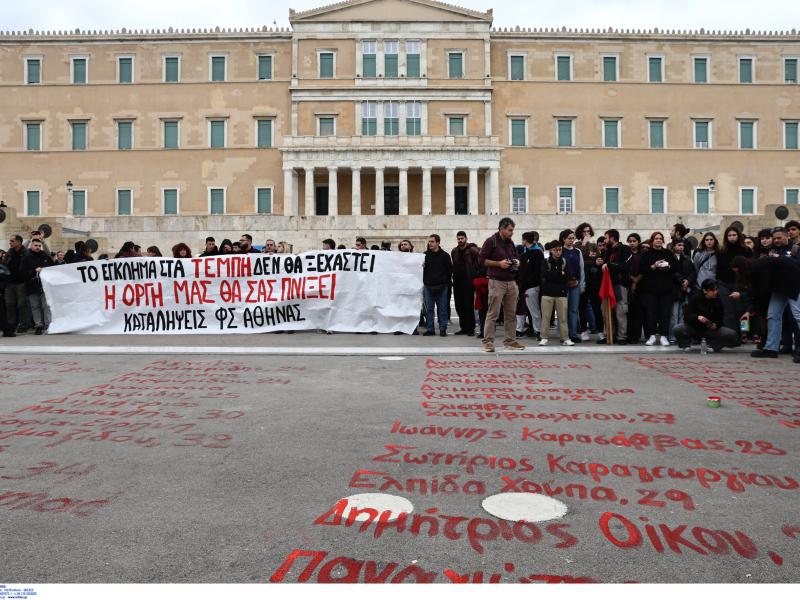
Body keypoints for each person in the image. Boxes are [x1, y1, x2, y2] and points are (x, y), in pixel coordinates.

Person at [736, 256, 800, 362]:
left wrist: (743, 294)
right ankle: (771, 348)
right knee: (773, 315)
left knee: (798, 315)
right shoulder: (756, 267)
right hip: (780, 286)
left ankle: (771, 348)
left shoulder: (758, 268)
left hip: (794, 283)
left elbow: (761, 289)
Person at [478, 218, 525, 352]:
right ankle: (488, 341)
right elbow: (481, 260)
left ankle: (510, 340)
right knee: (493, 313)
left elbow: (516, 257)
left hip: (511, 281)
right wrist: (499, 264)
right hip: (496, 281)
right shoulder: (490, 241)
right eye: (510, 230)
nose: (512, 233)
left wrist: (517, 262)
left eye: (512, 230)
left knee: (511, 314)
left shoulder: (510, 243)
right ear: (502, 229)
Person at [673, 279, 739, 352]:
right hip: (694, 327)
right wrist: (697, 317)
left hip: (710, 329)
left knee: (732, 334)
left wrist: (715, 325)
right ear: (705, 291)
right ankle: (685, 345)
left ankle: (713, 347)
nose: (715, 292)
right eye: (713, 290)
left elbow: (720, 319)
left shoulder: (718, 301)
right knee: (677, 329)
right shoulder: (695, 298)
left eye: (716, 289)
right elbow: (687, 316)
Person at [638, 231, 677, 346]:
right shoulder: (646, 254)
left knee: (665, 313)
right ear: (652, 241)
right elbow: (642, 270)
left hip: (666, 289)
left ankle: (664, 336)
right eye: (656, 238)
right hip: (650, 289)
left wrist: (667, 266)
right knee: (651, 313)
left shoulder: (668, 253)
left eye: (660, 238)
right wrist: (653, 266)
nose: (658, 240)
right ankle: (652, 335)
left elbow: (675, 267)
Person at [596, 229, 630, 344]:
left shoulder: (625, 249)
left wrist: (609, 264)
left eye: (606, 238)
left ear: (612, 238)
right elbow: (604, 266)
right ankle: (609, 334)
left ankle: (621, 337)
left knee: (621, 310)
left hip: (619, 285)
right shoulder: (607, 251)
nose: (604, 240)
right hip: (607, 285)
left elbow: (626, 266)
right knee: (606, 310)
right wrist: (599, 263)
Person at [717, 225, 752, 336]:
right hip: (724, 283)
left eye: (734, 235)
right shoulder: (722, 251)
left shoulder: (746, 250)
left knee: (741, 310)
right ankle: (730, 335)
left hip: (741, 283)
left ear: (739, 236)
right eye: (729, 235)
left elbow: (750, 267)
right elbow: (718, 268)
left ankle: (744, 334)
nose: (731, 237)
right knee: (729, 311)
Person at [539, 240, 573, 346]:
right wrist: (559, 273)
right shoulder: (546, 262)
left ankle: (565, 338)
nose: (558, 252)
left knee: (563, 318)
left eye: (560, 250)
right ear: (551, 250)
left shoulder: (564, 262)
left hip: (561, 293)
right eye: (555, 250)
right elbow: (545, 275)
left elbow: (567, 277)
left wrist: (555, 275)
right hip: (547, 293)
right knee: (546, 317)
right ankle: (544, 337)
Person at [20, 238, 54, 335]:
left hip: (44, 286)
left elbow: (52, 268)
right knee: (35, 306)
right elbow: (22, 272)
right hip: (32, 285)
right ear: (31, 245)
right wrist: (34, 271)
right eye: (35, 245)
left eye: (39, 246)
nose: (38, 247)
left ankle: (48, 325)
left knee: (46, 306)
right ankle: (38, 325)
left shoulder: (45, 256)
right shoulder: (26, 257)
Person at [422, 234, 452, 337]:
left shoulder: (445, 256)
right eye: (429, 241)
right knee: (429, 309)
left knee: (442, 309)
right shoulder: (424, 255)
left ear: (438, 242)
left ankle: (443, 328)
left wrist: (445, 283)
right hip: (428, 286)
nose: (430, 243)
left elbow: (450, 271)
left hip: (442, 286)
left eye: (432, 241)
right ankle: (430, 328)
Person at [516, 231, 544, 339]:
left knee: (534, 310)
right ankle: (535, 330)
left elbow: (536, 273)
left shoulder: (536, 253)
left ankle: (539, 331)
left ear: (525, 240)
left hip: (532, 287)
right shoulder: (526, 253)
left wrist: (525, 286)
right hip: (527, 287)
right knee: (529, 310)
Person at [559, 229, 585, 343]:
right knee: (562, 310)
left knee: (573, 310)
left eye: (573, 238)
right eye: (569, 238)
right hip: (563, 285)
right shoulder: (560, 250)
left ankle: (573, 334)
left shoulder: (577, 251)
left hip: (575, 284)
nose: (571, 240)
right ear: (564, 239)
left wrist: (582, 283)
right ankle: (563, 334)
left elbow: (581, 268)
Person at [450, 231, 478, 335]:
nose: (460, 240)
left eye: (462, 238)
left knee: (468, 306)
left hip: (468, 281)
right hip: (457, 282)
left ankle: (470, 328)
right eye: (458, 239)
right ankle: (464, 327)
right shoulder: (455, 251)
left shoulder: (473, 250)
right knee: (459, 306)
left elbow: (478, 263)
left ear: (466, 238)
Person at [669, 238, 696, 343]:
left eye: (682, 245)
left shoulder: (687, 259)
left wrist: (688, 281)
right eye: (678, 245)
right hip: (674, 290)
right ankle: (672, 336)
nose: (681, 247)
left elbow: (693, 272)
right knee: (674, 314)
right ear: (673, 246)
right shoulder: (670, 258)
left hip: (685, 290)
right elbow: (672, 271)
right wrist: (681, 281)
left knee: (682, 314)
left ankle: (681, 336)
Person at [2, 235, 28, 336]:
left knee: (21, 305)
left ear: (19, 242)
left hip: (21, 282)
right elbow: (4, 265)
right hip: (9, 283)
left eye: (12, 241)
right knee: (9, 304)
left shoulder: (25, 253)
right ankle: (11, 325)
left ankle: (23, 324)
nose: (10, 243)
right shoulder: (9, 253)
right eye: (10, 241)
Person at [626, 233, 645, 344]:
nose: (632, 243)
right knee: (629, 312)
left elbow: (645, 268)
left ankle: (636, 335)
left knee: (638, 312)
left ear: (638, 242)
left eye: (634, 241)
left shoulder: (643, 254)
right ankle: (628, 334)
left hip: (641, 286)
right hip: (628, 284)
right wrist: (632, 280)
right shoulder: (626, 253)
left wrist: (637, 280)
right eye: (630, 241)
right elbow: (625, 268)